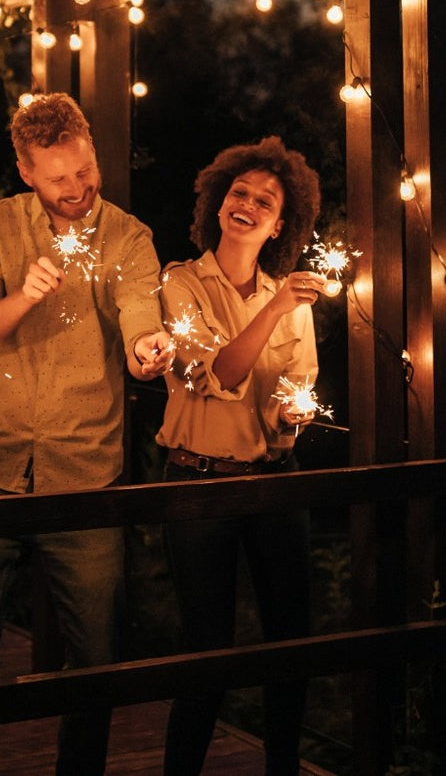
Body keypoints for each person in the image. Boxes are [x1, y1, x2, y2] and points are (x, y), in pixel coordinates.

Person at [0, 91, 172, 776]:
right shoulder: (2, 226)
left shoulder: (129, 238)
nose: (78, 188)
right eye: (59, 178)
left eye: (85, 169)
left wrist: (146, 349)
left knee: (97, 661)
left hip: (85, 477)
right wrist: (23, 297)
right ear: (25, 171)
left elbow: (139, 313)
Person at [157, 135, 326, 776]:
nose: (247, 205)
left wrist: (294, 415)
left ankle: (283, 766)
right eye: (239, 192)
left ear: (280, 224)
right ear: (217, 201)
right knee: (207, 650)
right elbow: (217, 375)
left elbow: (295, 393)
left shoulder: (291, 300)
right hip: (198, 485)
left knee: (291, 641)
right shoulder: (180, 283)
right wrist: (276, 306)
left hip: (275, 483)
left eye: (264, 201)